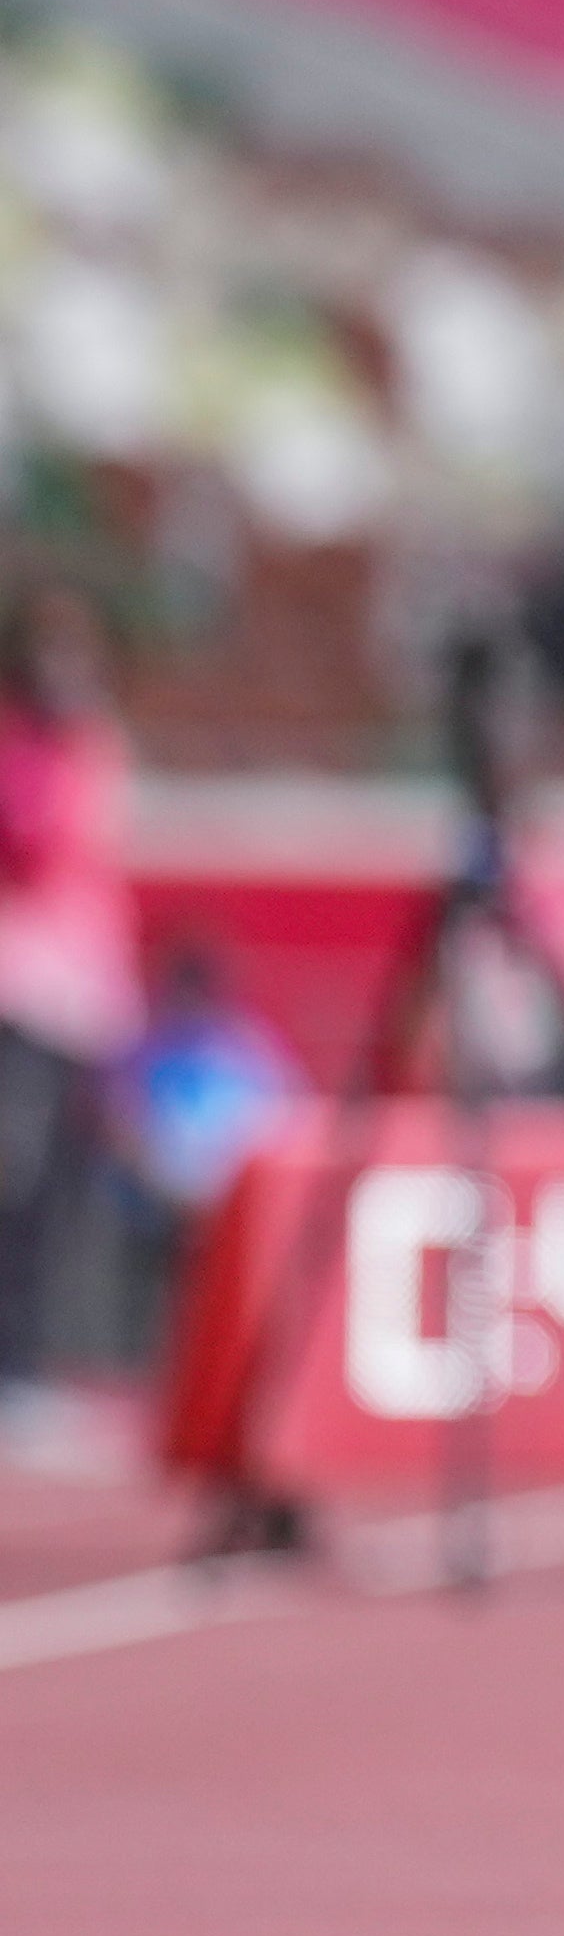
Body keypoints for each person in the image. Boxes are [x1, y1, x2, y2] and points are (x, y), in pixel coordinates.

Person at [0, 582, 135, 1441]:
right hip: (21, 1003)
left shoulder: (95, 749)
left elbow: (98, 882)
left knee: (57, 1199)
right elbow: (34, 842)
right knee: (12, 1192)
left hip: (81, 1007)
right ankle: (8, 1365)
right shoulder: (23, 751)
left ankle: (28, 1364)